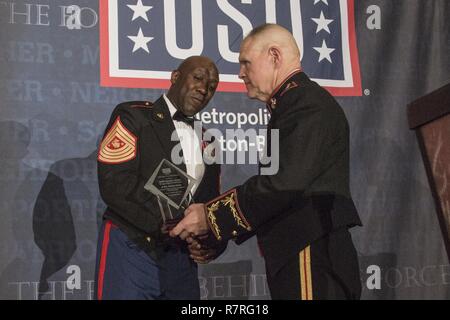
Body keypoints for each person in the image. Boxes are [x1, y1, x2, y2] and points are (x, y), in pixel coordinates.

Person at [170, 24, 363, 300]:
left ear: (274, 56)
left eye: (246, 63)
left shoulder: (306, 103)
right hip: (300, 252)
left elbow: (283, 184)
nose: (240, 73)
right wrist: (216, 230)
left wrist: (210, 216)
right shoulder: (292, 104)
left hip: (310, 254)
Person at [95, 56, 224, 300]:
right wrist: (164, 224)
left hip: (181, 262)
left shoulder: (210, 140)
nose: (203, 89)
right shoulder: (133, 116)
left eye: (212, 87)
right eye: (197, 78)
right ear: (175, 77)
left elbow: (209, 204)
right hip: (133, 246)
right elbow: (114, 183)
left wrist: (212, 243)